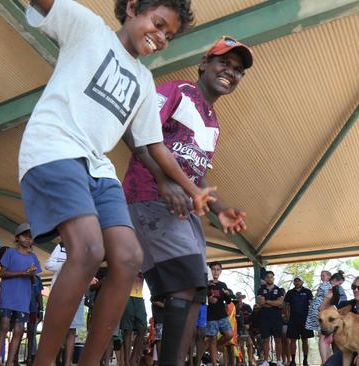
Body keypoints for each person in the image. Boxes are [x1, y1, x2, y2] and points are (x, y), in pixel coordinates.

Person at [16, 1, 218, 364]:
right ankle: (42, 361)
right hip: (55, 146)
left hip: (96, 165)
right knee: (89, 250)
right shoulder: (88, 29)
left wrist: (194, 190)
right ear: (131, 8)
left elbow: (153, 145)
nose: (159, 38)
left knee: (128, 257)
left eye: (168, 35)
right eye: (157, 24)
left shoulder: (143, 80)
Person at [122, 35, 252, 365]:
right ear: (204, 64)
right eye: (224, 62)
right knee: (180, 287)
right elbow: (134, 128)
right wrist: (163, 180)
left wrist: (220, 208)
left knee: (196, 289)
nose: (230, 72)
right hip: (149, 197)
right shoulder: (177, 91)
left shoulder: (213, 124)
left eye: (238, 70)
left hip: (184, 209)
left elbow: (196, 172)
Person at [0, 223, 42, 366]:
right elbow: (2, 273)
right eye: (24, 236)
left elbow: (34, 280)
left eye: (30, 237)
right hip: (7, 297)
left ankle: (9, 362)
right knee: (3, 327)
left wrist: (31, 274)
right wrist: (22, 273)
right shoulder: (10, 253)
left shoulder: (33, 257)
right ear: (17, 238)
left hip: (23, 299)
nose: (28, 239)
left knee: (19, 330)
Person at [321, 276, 359, 366]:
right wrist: (327, 298)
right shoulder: (346, 305)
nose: (356, 290)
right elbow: (323, 312)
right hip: (349, 347)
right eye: (354, 287)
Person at [44, 242, 87, 366]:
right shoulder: (62, 246)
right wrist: (65, 264)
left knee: (72, 330)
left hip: (77, 295)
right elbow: (48, 265)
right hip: (59, 293)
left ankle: (67, 363)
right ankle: (52, 361)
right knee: (56, 329)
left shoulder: (86, 249)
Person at [304, 270, 345, 364]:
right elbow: (328, 301)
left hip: (322, 311)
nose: (340, 286)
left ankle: (328, 360)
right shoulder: (328, 287)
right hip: (321, 312)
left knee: (325, 335)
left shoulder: (329, 287)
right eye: (339, 283)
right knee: (323, 334)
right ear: (334, 280)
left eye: (323, 275)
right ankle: (325, 361)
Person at [205, 261, 233, 366]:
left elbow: (229, 301)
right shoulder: (206, 284)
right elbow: (205, 299)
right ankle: (214, 363)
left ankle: (214, 346)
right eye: (213, 269)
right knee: (212, 339)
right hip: (210, 316)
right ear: (210, 271)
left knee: (229, 334)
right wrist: (209, 298)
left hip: (222, 315)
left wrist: (227, 294)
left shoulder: (223, 285)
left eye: (218, 269)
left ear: (220, 271)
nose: (215, 271)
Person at [256, 270, 285, 366]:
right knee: (265, 340)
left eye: (271, 277)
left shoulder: (279, 289)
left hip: (276, 318)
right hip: (264, 318)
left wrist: (267, 301)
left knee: (278, 340)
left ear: (273, 278)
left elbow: (280, 303)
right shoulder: (260, 289)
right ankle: (265, 361)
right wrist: (274, 303)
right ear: (265, 279)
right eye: (267, 277)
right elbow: (260, 302)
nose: (269, 278)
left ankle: (279, 361)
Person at [119, 272, 147, 366]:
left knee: (143, 328)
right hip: (127, 295)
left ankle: (133, 359)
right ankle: (126, 362)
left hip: (139, 296)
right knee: (127, 330)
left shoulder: (145, 260)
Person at [284, 277, 313, 366]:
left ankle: (305, 360)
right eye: (295, 281)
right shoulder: (290, 292)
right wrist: (287, 317)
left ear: (302, 282)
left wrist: (311, 317)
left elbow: (311, 304)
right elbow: (286, 305)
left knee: (305, 340)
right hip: (293, 319)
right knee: (293, 340)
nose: (297, 282)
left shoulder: (308, 291)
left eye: (299, 280)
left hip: (305, 319)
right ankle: (293, 361)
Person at [27, 274, 44, 365]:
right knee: (18, 332)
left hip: (33, 309)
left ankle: (30, 357)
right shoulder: (21, 276)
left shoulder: (38, 279)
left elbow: (39, 295)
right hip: (20, 307)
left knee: (31, 333)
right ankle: (15, 358)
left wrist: (41, 310)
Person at [234, 292, 255, 366]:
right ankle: (243, 361)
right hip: (238, 329)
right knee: (241, 346)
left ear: (242, 298)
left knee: (250, 344)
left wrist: (249, 324)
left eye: (240, 297)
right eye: (238, 297)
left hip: (247, 329)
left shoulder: (247, 306)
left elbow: (252, 317)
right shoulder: (234, 307)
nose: (239, 298)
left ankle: (250, 361)